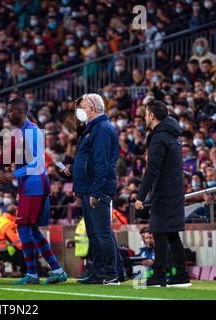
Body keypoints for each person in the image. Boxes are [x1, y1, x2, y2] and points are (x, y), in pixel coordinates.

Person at [0, 97, 68, 285]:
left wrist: (14, 175)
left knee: (23, 228)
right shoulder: (19, 133)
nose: (8, 114)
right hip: (32, 186)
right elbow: (4, 158)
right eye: (7, 111)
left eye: (11, 110)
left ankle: (32, 274)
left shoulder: (32, 131)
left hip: (34, 185)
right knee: (33, 230)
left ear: (23, 110)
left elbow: (38, 163)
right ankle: (57, 271)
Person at [62, 94, 123, 285]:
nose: (79, 110)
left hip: (97, 189)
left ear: (92, 107)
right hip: (88, 188)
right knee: (95, 233)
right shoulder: (93, 129)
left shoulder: (102, 129)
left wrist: (96, 192)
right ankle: (100, 271)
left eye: (81, 106)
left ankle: (109, 273)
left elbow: (101, 163)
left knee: (101, 232)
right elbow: (88, 161)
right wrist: (74, 170)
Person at [135, 100, 191, 288]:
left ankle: (159, 275)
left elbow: (152, 169)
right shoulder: (173, 134)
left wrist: (140, 196)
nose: (144, 117)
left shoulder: (159, 138)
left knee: (159, 232)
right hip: (175, 189)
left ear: (152, 115)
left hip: (165, 191)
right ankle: (182, 275)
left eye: (145, 114)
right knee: (172, 233)